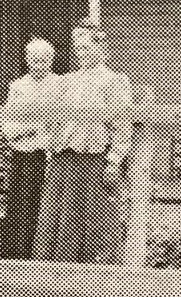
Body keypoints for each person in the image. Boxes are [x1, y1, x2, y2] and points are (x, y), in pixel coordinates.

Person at [34, 20, 133, 264]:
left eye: (87, 47)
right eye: (78, 48)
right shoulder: (67, 81)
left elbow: (122, 123)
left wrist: (114, 160)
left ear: (102, 48)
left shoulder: (113, 81)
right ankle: (54, 279)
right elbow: (50, 116)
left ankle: (92, 283)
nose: (82, 53)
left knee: (92, 221)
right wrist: (49, 144)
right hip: (63, 160)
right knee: (57, 219)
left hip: (93, 161)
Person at [0, 38, 60, 260]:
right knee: (17, 204)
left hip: (46, 155)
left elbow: (56, 125)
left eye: (43, 61)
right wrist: (34, 126)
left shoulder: (59, 85)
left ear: (51, 61)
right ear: (26, 60)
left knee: (40, 205)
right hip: (21, 154)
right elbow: (8, 126)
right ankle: (15, 256)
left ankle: (39, 256)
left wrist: (34, 127)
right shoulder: (18, 86)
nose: (38, 65)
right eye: (34, 60)